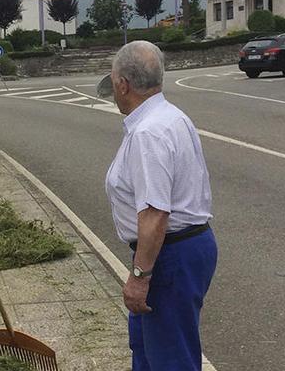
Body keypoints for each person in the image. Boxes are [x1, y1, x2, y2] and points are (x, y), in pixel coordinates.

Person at [104, 40, 217, 370]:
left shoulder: (148, 133)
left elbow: (155, 214)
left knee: (170, 358)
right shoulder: (171, 117)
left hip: (169, 255)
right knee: (147, 347)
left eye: (112, 82)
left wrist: (140, 276)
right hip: (181, 249)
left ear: (123, 85)